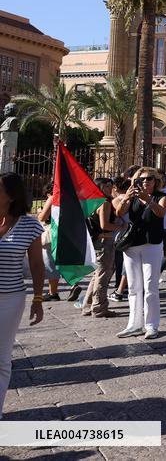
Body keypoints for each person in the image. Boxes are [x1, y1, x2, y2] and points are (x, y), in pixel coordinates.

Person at [0, 172, 45, 419]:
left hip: (10, 299)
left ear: (11, 195)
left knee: (2, 358)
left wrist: (38, 300)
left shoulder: (30, 225)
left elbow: (37, 265)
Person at [114, 168, 166, 339]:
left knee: (150, 285)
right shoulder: (132, 197)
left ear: (155, 181)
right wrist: (127, 198)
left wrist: (148, 200)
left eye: (149, 179)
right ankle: (134, 324)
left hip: (152, 244)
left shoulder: (161, 197)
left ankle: (151, 325)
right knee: (133, 286)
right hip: (132, 244)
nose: (145, 182)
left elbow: (161, 213)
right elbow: (119, 213)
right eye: (141, 179)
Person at [79, 177, 123, 318]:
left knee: (97, 275)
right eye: (106, 186)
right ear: (99, 187)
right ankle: (99, 307)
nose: (110, 189)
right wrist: (122, 227)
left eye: (111, 186)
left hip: (96, 241)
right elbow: (105, 225)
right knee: (103, 275)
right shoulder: (104, 203)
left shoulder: (91, 202)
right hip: (105, 241)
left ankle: (87, 305)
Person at [35, 182, 62, 302]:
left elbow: (42, 217)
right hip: (63, 232)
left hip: (51, 233)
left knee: (50, 263)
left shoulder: (52, 198)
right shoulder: (67, 198)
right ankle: (73, 285)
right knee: (60, 262)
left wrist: (39, 212)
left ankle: (53, 292)